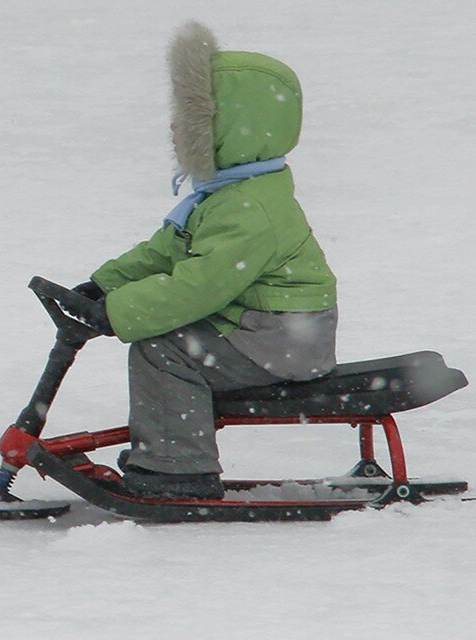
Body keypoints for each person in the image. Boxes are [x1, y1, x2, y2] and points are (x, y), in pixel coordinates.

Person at [77, 22, 338, 500]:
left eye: (192, 122)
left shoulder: (249, 208)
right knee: (168, 341)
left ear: (229, 130)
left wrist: (115, 313)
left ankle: (178, 470)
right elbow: (168, 250)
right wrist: (101, 285)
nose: (176, 131)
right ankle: (169, 447)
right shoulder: (228, 194)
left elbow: (198, 285)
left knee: (166, 349)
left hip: (280, 339)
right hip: (264, 331)